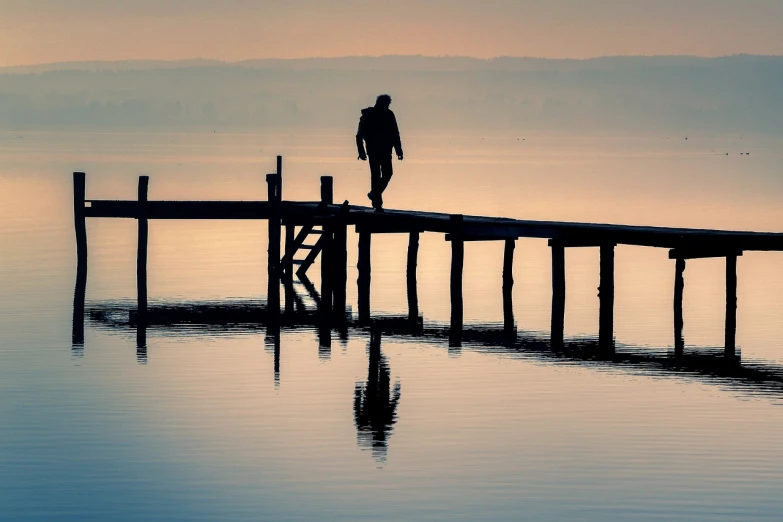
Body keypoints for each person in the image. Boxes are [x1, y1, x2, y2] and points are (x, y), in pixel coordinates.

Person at [356, 94, 403, 211]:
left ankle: (374, 194)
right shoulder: (368, 115)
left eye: (388, 104)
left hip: (386, 150)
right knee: (376, 176)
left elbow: (395, 133)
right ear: (379, 103)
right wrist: (361, 151)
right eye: (385, 104)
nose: (387, 106)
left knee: (388, 174)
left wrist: (398, 150)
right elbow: (359, 135)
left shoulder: (389, 114)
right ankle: (377, 204)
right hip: (373, 151)